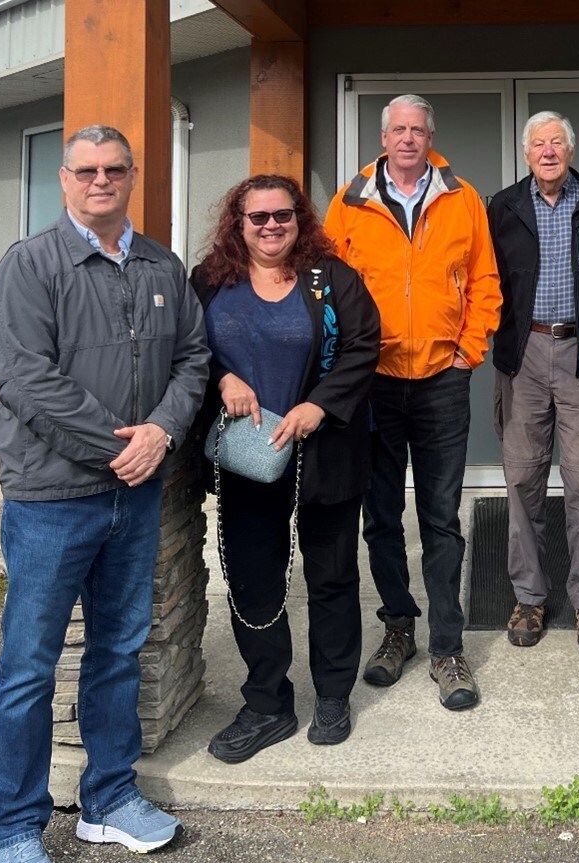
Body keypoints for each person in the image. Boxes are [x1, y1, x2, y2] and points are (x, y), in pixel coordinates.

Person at [0, 125, 210, 863]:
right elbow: (25, 380)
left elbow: (193, 357)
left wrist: (164, 431)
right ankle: (13, 827)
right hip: (53, 498)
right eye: (87, 170)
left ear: (132, 176)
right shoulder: (31, 264)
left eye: (114, 169)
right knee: (28, 665)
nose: (100, 180)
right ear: (64, 178)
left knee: (117, 650)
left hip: (134, 500)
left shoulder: (161, 266)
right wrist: (125, 446)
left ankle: (107, 799)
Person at [191, 175, 380, 762]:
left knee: (331, 577)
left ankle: (331, 695)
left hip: (325, 452)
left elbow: (363, 346)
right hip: (248, 456)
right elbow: (187, 351)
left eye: (283, 215)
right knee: (254, 579)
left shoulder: (331, 279)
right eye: (258, 217)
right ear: (237, 223)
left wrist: (317, 406)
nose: (271, 226)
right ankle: (268, 703)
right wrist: (221, 378)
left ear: (300, 219)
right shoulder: (209, 281)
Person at [324, 95, 500, 710]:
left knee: (441, 516)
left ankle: (448, 645)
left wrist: (468, 350)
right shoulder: (349, 202)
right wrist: (344, 362)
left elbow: (484, 280)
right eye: (398, 129)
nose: (407, 139)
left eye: (418, 130)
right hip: (370, 380)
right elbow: (326, 289)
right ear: (383, 136)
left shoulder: (462, 198)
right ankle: (398, 625)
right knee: (381, 516)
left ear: (431, 137)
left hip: (440, 379)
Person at [487, 111, 579, 652]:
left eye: (556, 143)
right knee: (522, 479)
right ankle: (529, 596)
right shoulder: (504, 206)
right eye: (538, 144)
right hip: (524, 354)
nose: (547, 152)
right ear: (526, 154)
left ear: (570, 150)